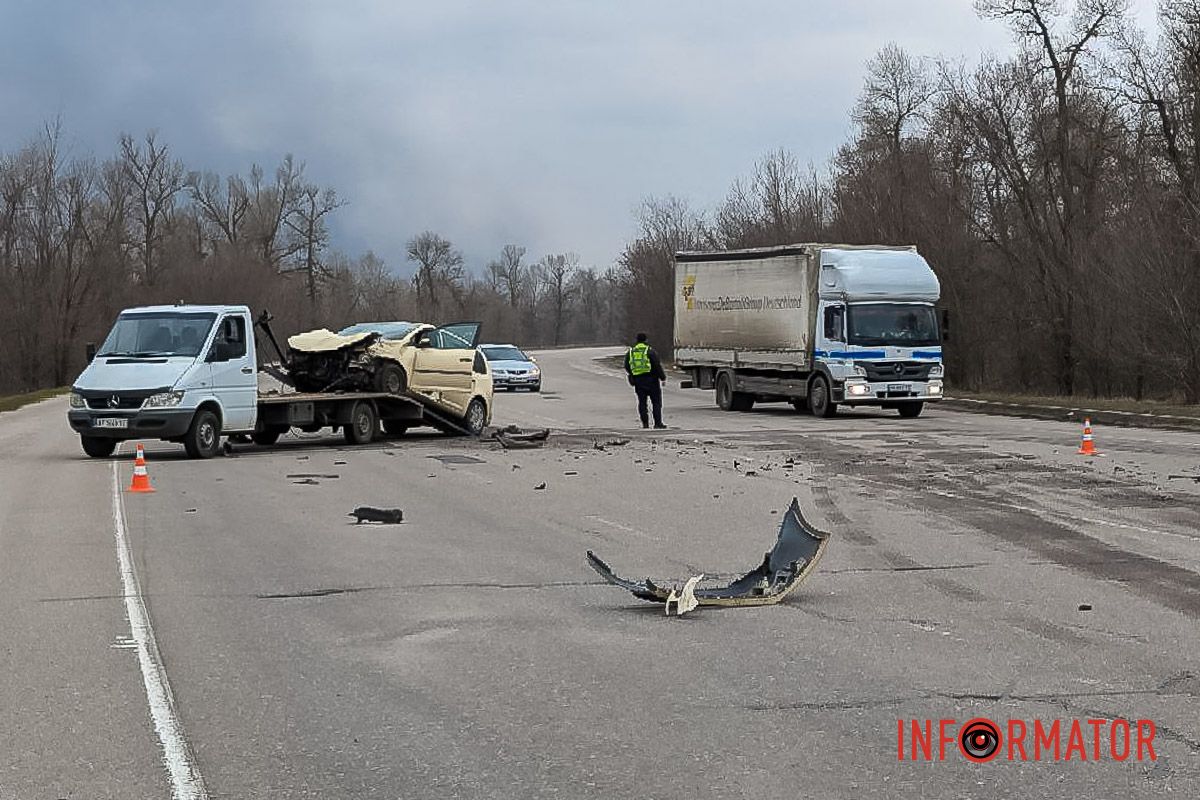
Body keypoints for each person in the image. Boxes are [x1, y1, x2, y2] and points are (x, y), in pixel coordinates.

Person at [625, 332, 667, 429]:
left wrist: (633, 374)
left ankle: (645, 424)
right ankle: (657, 423)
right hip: (652, 380)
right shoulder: (649, 351)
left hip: (638, 380)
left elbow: (627, 366)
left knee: (642, 402)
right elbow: (657, 365)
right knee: (656, 402)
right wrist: (662, 377)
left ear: (636, 340)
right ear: (646, 340)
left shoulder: (631, 352)